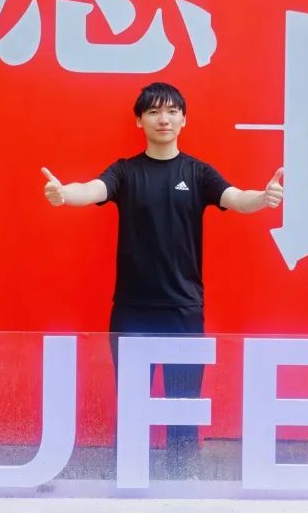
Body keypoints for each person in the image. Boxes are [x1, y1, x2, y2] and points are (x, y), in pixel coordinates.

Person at [40, 81, 283, 476]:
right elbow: (92, 189)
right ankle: (128, 480)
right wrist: (64, 193)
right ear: (140, 121)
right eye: (153, 112)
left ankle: (181, 478)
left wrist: (262, 198)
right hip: (132, 310)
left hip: (183, 309)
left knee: (183, 404)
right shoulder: (125, 171)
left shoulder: (197, 173)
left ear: (184, 119)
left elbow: (237, 198)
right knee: (131, 404)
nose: (163, 119)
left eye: (171, 111)